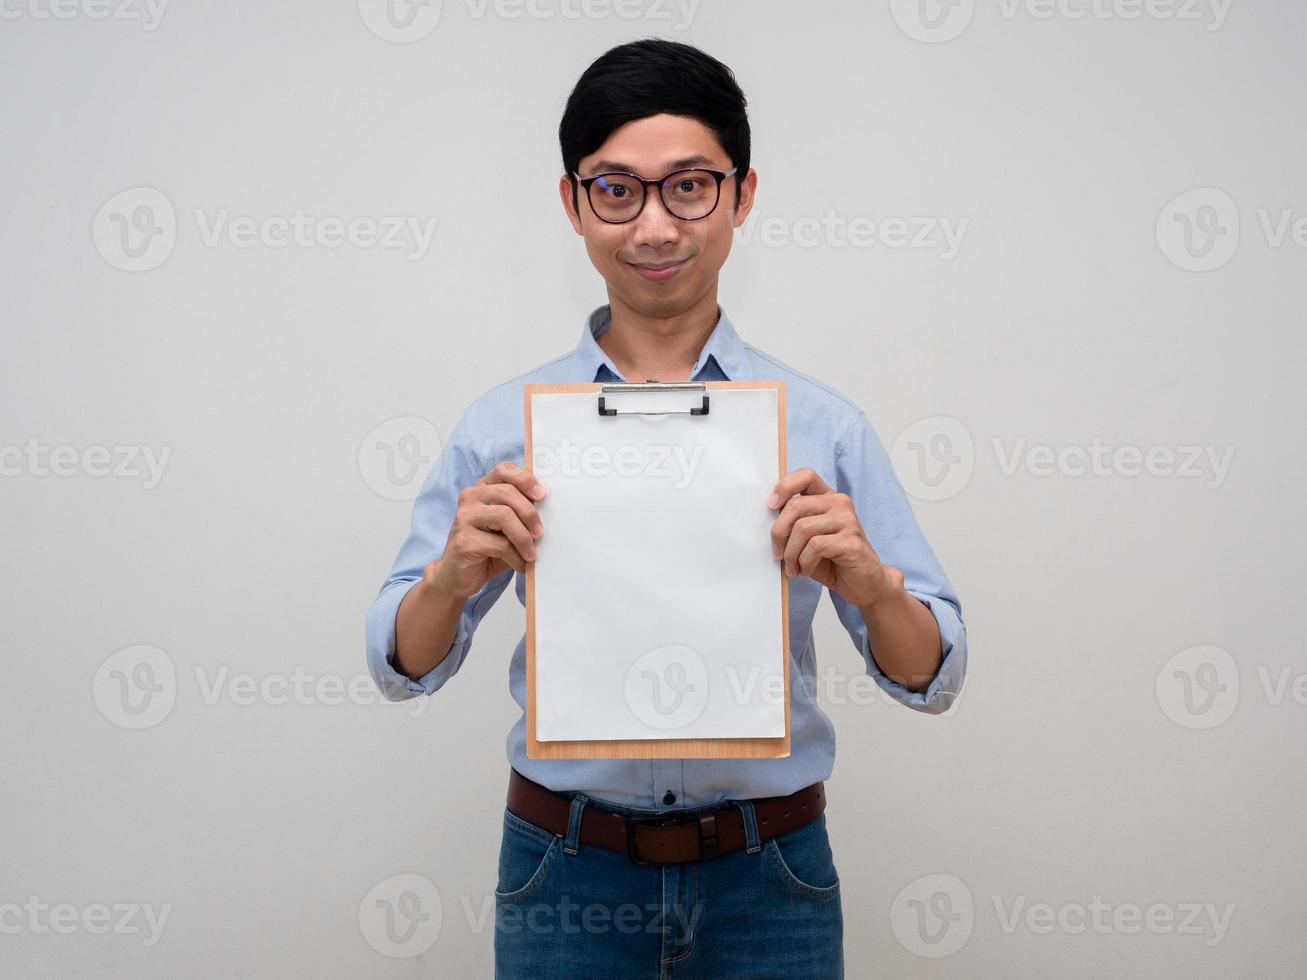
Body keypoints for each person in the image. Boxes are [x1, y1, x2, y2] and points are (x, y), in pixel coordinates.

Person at [365, 38, 968, 979]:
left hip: (769, 878)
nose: (654, 227)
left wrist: (874, 587)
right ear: (573, 203)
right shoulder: (503, 426)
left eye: (688, 186)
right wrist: (449, 579)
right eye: (617, 190)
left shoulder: (819, 426)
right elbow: (399, 664)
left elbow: (933, 673)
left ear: (742, 194)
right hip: (563, 872)